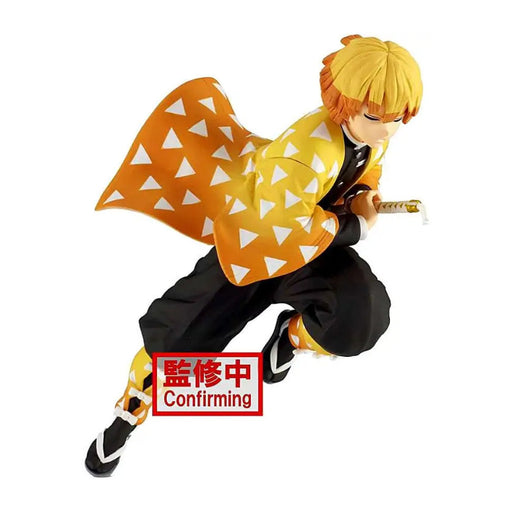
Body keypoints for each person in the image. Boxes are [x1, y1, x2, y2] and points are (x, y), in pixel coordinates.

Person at [85, 34, 423, 477]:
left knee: (361, 315)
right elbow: (282, 228)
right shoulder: (307, 152)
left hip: (310, 247)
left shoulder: (372, 134)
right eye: (376, 116)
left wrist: (362, 192)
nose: (387, 130)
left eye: (397, 119)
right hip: (252, 249)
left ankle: (293, 335)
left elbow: (369, 165)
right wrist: (356, 226)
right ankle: (132, 408)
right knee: (177, 341)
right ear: (342, 102)